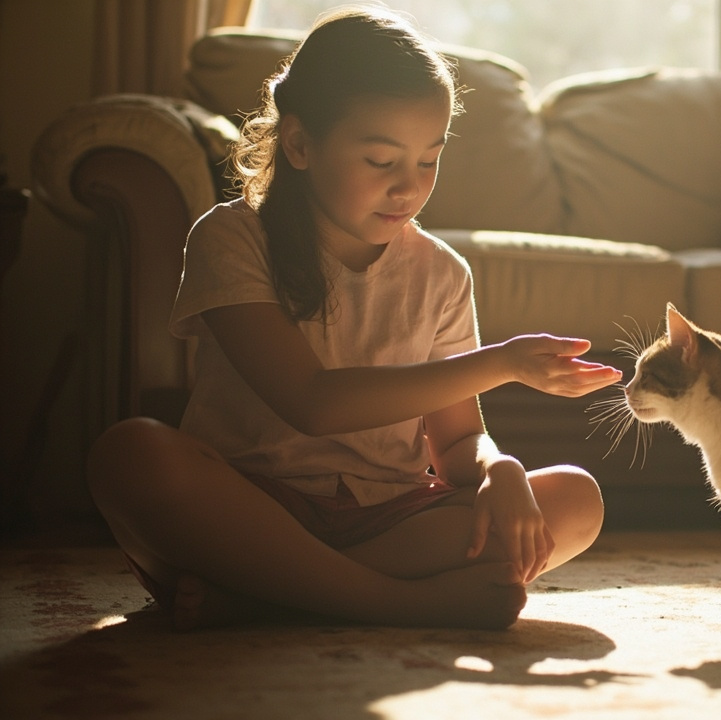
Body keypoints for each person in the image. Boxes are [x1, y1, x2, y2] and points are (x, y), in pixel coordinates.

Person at [86, 6, 622, 631]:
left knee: (575, 500)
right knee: (129, 454)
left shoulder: (442, 274)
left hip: (389, 516)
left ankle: (270, 598)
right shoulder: (231, 238)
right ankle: (397, 602)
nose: (409, 188)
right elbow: (312, 403)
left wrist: (495, 467)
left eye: (429, 160)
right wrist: (501, 363)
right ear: (300, 144)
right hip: (252, 513)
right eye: (380, 161)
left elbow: (452, 444)